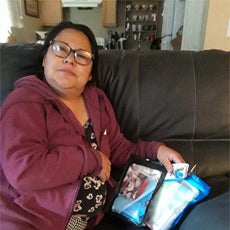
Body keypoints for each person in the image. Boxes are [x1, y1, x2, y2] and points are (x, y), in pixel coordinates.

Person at [0, 21, 185, 230]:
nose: (70, 59)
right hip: (29, 221)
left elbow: (117, 149)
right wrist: (92, 159)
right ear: (44, 58)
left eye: (82, 56)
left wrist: (157, 150)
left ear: (90, 73)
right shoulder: (25, 101)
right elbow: (24, 170)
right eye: (61, 49)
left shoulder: (97, 100)